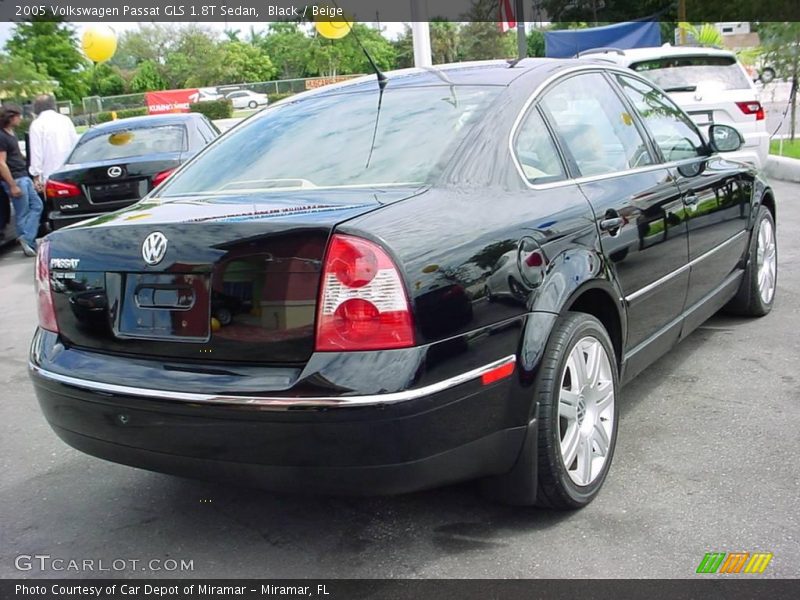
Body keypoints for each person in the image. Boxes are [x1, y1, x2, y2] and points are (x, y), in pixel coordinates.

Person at [0, 104, 42, 256]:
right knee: (23, 212)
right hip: (16, 179)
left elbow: (14, 156)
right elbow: (1, 162)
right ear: (10, 117)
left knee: (37, 206)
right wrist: (12, 185)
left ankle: (26, 238)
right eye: (18, 116)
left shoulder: (10, 133)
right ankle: (27, 241)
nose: (20, 119)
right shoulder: (2, 136)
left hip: (23, 175)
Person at [28, 94, 79, 193]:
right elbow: (75, 144)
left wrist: (36, 176)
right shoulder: (65, 120)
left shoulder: (37, 125)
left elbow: (36, 152)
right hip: (68, 172)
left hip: (49, 176)